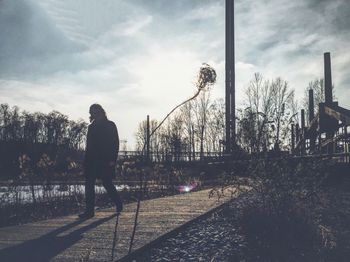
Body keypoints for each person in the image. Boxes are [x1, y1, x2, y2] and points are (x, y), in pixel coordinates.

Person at [78, 104, 123, 219]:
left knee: (107, 183)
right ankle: (89, 211)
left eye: (96, 112)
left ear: (102, 112)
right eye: (92, 113)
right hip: (91, 160)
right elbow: (89, 146)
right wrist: (85, 161)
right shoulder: (91, 127)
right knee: (89, 184)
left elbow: (115, 143)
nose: (94, 115)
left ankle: (118, 203)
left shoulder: (110, 125)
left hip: (105, 160)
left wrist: (113, 159)